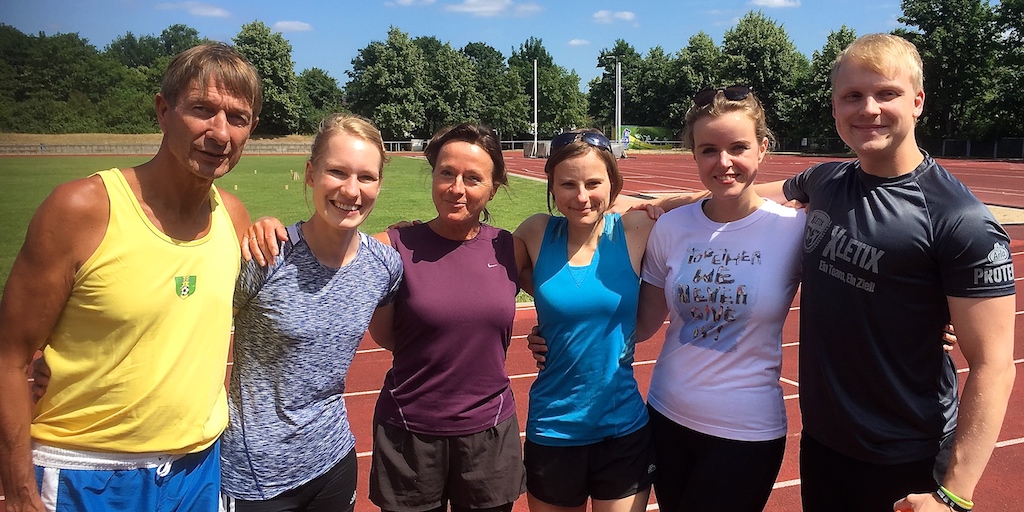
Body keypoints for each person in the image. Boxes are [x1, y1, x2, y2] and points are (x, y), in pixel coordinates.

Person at [654, 33, 1015, 512]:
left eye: (886, 93)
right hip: (825, 445)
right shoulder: (825, 180)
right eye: (853, 96)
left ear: (918, 101)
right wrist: (660, 206)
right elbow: (742, 194)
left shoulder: (959, 218)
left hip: (909, 454)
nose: (869, 108)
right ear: (835, 108)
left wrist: (954, 494)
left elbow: (994, 364)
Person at [0, 42, 259, 511]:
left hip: (197, 471)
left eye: (237, 118)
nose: (220, 132)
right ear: (163, 110)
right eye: (202, 110)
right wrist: (19, 496)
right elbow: (9, 359)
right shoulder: (82, 210)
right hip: (84, 473)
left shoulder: (234, 218)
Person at [244, 123, 526, 512]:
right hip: (410, 434)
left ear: (493, 188)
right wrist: (269, 228)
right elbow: (342, 264)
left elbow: (570, 284)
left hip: (490, 434)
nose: (456, 188)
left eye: (473, 178)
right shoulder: (391, 249)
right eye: (446, 173)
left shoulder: (511, 248)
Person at [630, 86, 804, 512]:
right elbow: (642, 323)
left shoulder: (795, 229)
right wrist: (563, 331)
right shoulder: (671, 227)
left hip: (746, 432)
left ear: (763, 149)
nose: (723, 162)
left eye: (738, 147)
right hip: (666, 417)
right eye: (709, 150)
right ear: (693, 154)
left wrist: (928, 325)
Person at [220, 114, 402, 511]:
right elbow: (196, 332)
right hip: (257, 474)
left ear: (379, 184)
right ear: (310, 174)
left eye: (366, 177)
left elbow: (394, 337)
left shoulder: (384, 266)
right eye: (337, 172)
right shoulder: (266, 256)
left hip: (334, 459)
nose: (351, 190)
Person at [512, 130, 656, 512]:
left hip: (622, 429)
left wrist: (667, 201)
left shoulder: (635, 230)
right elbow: (480, 265)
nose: (581, 196)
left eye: (593, 183)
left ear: (613, 183)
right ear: (551, 186)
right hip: (553, 428)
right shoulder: (535, 232)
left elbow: (709, 205)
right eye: (567, 184)